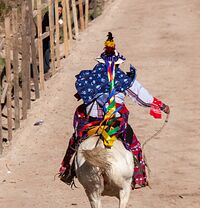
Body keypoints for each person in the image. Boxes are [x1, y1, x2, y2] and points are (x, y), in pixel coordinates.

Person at [59, 32, 170, 188]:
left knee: (75, 140)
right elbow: (142, 97)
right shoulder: (123, 79)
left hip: (91, 124)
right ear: (117, 64)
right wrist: (161, 106)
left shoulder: (87, 78)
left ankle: (67, 171)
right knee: (134, 144)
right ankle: (139, 176)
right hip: (115, 124)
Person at [42, 3, 63, 75]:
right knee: (46, 50)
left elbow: (60, 23)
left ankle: (46, 67)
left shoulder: (59, 16)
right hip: (45, 34)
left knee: (49, 50)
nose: (59, 12)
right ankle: (45, 68)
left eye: (60, 10)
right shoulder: (49, 15)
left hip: (51, 35)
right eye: (58, 10)